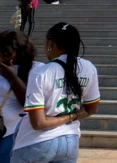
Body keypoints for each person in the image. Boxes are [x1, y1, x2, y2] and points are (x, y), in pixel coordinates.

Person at [11, 23, 100, 163]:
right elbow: (92, 108)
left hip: (36, 142)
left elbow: (38, 123)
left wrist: (70, 117)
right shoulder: (89, 68)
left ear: (50, 44)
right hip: (70, 142)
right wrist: (74, 115)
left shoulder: (40, 73)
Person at [0, 30, 42, 163]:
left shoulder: (37, 70)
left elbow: (29, 103)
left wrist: (12, 76)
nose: (2, 57)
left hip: (14, 133)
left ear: (21, 51)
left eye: (6, 54)